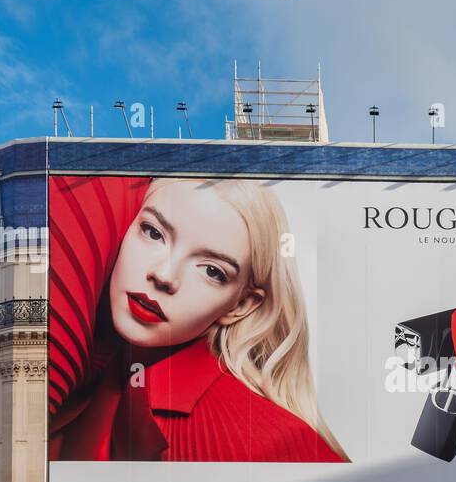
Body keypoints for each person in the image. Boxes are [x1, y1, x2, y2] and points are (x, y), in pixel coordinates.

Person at [48, 176, 348, 464]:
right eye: (153, 233)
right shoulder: (79, 378)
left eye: (212, 271)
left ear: (240, 305)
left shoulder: (264, 440)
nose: (165, 275)